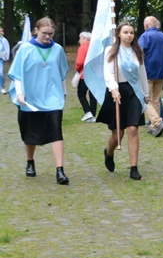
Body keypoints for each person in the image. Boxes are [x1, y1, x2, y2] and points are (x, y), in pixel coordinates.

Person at [7, 17, 70, 185]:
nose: (48, 37)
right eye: (45, 33)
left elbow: (61, 73)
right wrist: (20, 93)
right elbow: (18, 74)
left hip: (53, 98)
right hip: (31, 98)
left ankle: (60, 170)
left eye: (51, 34)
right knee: (30, 132)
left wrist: (63, 93)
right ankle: (30, 162)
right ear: (36, 30)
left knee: (56, 130)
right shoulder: (25, 49)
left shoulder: (57, 50)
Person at [97, 22, 150, 181]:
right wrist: (113, 88)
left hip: (134, 92)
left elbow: (142, 74)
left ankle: (134, 167)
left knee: (133, 129)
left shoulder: (137, 51)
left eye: (132, 33)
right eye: (126, 32)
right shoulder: (111, 51)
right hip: (117, 92)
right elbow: (108, 73)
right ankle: (109, 152)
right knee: (118, 133)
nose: (129, 35)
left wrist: (146, 93)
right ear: (118, 34)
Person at [138, 16, 163, 137]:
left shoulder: (145, 37)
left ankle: (157, 122)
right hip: (161, 74)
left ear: (146, 25)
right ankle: (154, 126)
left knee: (145, 99)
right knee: (156, 100)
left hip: (147, 74)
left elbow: (139, 54)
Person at [74, 31, 97, 122]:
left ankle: (88, 112)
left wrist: (77, 68)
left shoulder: (83, 47)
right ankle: (93, 114)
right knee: (92, 95)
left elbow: (80, 62)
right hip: (94, 74)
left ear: (85, 39)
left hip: (85, 74)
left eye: (80, 38)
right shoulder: (94, 47)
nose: (79, 40)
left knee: (81, 94)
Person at [0, 26, 10, 94]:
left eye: (1, 31)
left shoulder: (4, 40)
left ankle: (3, 88)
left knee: (0, 72)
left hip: (1, 58)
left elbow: (7, 49)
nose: (1, 32)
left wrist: (6, 56)